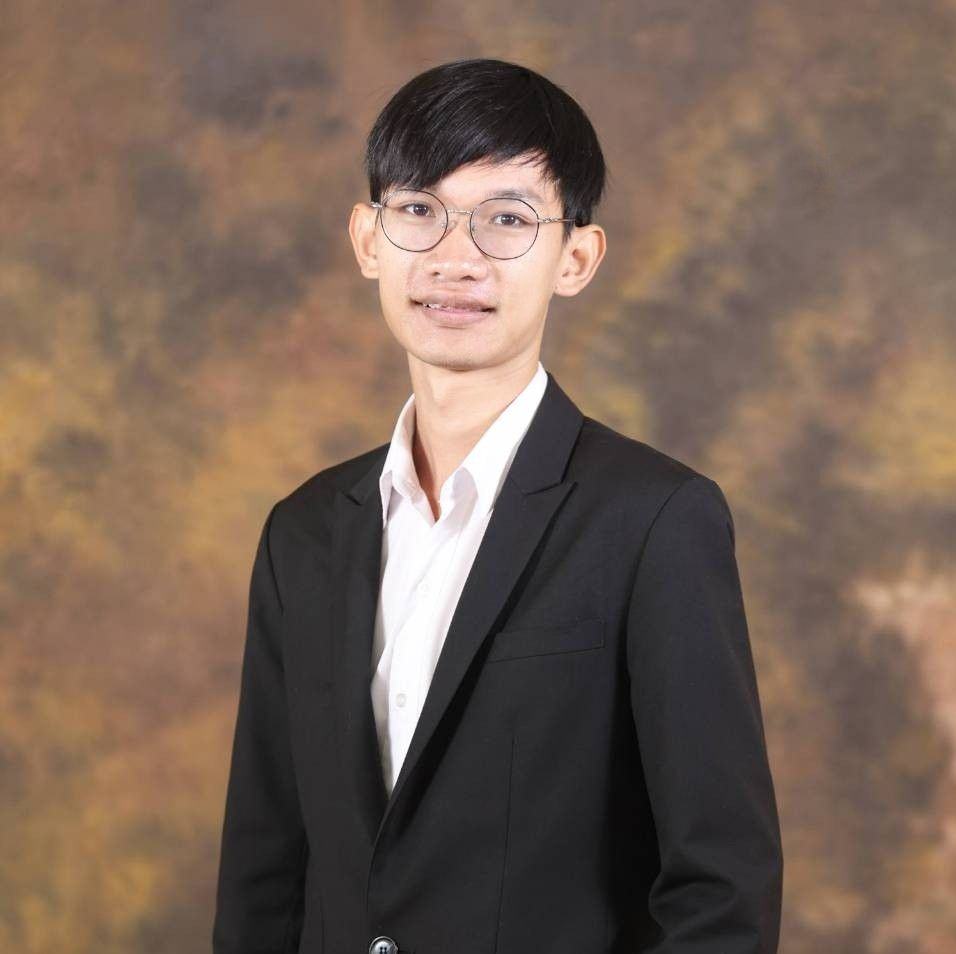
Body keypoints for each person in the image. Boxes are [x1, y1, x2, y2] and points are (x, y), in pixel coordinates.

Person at [212, 57, 783, 954]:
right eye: (419, 210)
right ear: (368, 239)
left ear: (576, 258)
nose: (455, 258)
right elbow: (265, 869)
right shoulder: (305, 530)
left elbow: (723, 890)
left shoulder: (655, 521)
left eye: (507, 220)